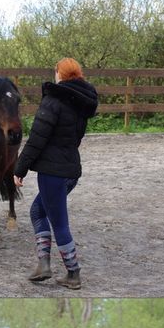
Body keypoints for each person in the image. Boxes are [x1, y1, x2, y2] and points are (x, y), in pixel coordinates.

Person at [14, 57, 98, 290]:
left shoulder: (53, 101)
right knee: (38, 210)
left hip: (53, 172)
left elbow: (37, 139)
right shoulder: (81, 102)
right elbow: (75, 138)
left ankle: (73, 273)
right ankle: (44, 264)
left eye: (56, 72)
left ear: (60, 74)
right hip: (71, 170)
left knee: (58, 222)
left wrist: (19, 168)